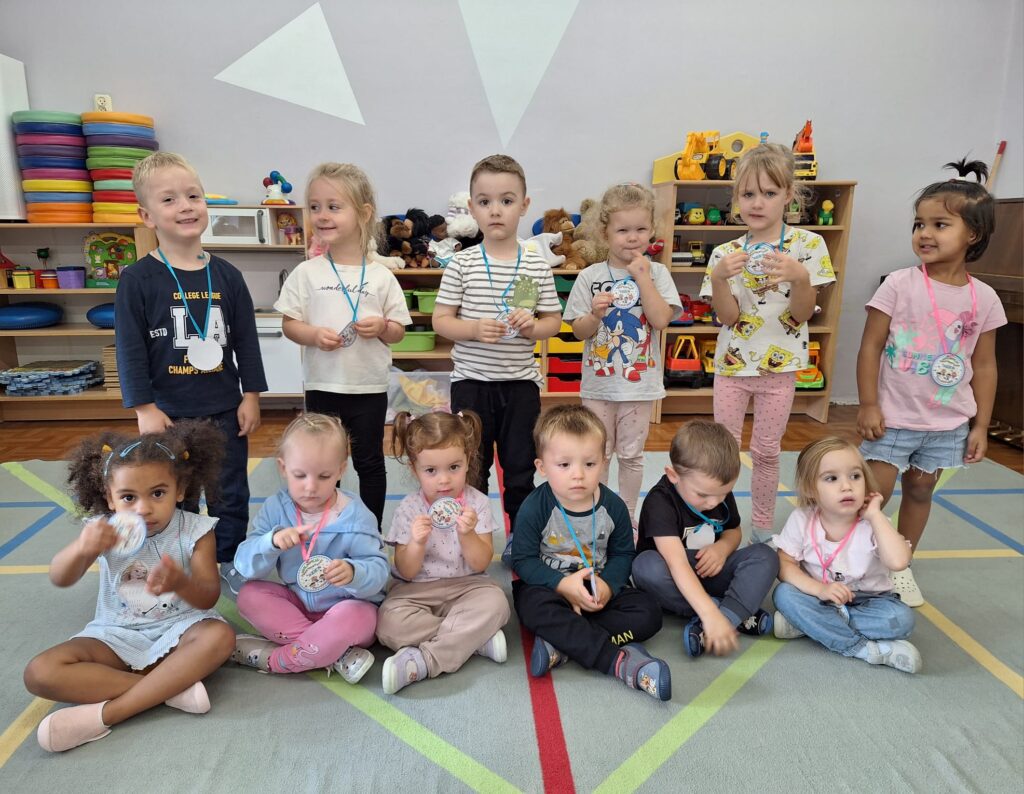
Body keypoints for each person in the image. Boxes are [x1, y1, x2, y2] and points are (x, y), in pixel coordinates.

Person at [23, 422, 236, 753]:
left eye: (158, 493)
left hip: (180, 631)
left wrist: (180, 583)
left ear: (180, 490)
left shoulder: (196, 530)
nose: (143, 508)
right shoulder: (102, 530)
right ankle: (169, 690)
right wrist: (82, 549)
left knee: (219, 636)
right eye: (128, 497)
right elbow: (60, 577)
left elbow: (209, 595)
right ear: (110, 498)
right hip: (115, 635)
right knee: (39, 673)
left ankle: (110, 713)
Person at [116, 152, 268, 595]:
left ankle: (228, 561)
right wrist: (144, 408)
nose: (185, 206)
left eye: (193, 196)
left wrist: (251, 395)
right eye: (169, 199)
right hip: (168, 414)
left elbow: (246, 341)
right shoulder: (138, 279)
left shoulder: (227, 275)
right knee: (174, 493)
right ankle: (177, 563)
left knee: (229, 493)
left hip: (224, 409)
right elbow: (129, 350)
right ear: (147, 216)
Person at [857, 158, 1005, 606]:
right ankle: (853, 561)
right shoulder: (898, 285)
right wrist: (868, 404)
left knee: (921, 491)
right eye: (919, 224)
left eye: (940, 225)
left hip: (946, 423)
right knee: (872, 495)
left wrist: (981, 425)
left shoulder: (984, 298)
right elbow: (870, 347)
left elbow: (985, 366)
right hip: (893, 418)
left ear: (973, 234)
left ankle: (899, 564)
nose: (924, 233)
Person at [700, 144, 835, 543]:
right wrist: (719, 278)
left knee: (767, 451)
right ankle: (719, 523)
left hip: (780, 370)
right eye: (748, 194)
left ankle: (761, 528)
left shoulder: (809, 246)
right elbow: (728, 317)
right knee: (722, 452)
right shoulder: (725, 253)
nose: (757, 203)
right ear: (736, 199)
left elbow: (803, 314)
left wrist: (801, 278)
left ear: (789, 194)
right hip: (732, 367)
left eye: (769, 193)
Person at [432, 154, 562, 553]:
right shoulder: (462, 263)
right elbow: (441, 320)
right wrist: (472, 329)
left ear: (524, 206)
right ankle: (471, 539)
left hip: (521, 385)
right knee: (471, 469)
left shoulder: (536, 265)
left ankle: (520, 540)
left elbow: (553, 322)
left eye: (506, 200)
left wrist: (533, 327)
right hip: (472, 384)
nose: (495, 210)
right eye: (485, 201)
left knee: (521, 468)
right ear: (472, 208)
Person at [276, 163, 411, 529]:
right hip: (323, 385)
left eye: (334, 207)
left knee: (369, 462)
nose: (322, 215)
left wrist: (383, 327)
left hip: (368, 388)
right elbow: (289, 324)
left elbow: (399, 331)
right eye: (315, 207)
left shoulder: (382, 276)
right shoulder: (307, 272)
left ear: (363, 213)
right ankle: (324, 527)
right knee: (321, 463)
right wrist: (312, 335)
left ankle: (370, 531)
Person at [511, 405, 670, 701]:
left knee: (650, 613)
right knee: (531, 607)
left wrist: (608, 585)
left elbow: (623, 554)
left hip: (598, 589)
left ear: (603, 462)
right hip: (551, 588)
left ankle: (565, 642)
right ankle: (616, 662)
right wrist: (561, 584)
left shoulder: (614, 507)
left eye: (589, 463)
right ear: (542, 467)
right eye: (564, 465)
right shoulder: (534, 507)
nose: (578, 475)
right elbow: (523, 560)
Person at [230, 413, 387, 682]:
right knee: (248, 595)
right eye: (299, 475)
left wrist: (354, 572)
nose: (311, 487)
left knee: (359, 617)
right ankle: (334, 652)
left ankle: (275, 660)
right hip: (298, 606)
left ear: (341, 470)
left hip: (346, 607)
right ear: (283, 468)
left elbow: (380, 572)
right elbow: (245, 565)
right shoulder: (275, 509)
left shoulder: (356, 516)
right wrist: (271, 542)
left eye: (324, 476)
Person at [563, 183, 680, 523]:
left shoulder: (658, 273)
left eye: (640, 229)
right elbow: (578, 331)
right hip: (599, 386)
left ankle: (626, 516)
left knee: (631, 455)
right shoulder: (590, 276)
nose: (632, 238)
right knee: (596, 455)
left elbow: (661, 320)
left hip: (638, 387)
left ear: (652, 230)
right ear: (605, 233)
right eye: (623, 230)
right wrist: (594, 315)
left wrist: (643, 279)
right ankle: (597, 514)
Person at [376, 410, 510, 694]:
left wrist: (467, 534)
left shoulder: (477, 503)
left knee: (497, 603)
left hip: (468, 586)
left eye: (454, 467)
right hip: (416, 590)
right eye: (431, 471)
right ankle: (473, 639)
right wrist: (416, 543)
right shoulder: (409, 509)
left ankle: (425, 661)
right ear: (414, 469)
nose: (444, 480)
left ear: (468, 460)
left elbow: (481, 563)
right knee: (388, 622)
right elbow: (406, 570)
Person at [772, 437, 921, 673]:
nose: (847, 486)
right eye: (831, 478)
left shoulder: (875, 523)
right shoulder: (802, 519)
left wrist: (875, 516)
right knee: (784, 594)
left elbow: (899, 562)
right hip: (818, 596)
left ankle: (809, 624)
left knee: (901, 620)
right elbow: (785, 563)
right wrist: (819, 589)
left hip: (870, 601)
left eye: (855, 476)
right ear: (810, 488)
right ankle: (864, 649)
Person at [633, 419, 779, 658]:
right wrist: (710, 613)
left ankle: (726, 619)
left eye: (722, 494)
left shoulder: (717, 492)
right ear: (673, 475)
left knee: (766, 555)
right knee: (645, 566)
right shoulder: (660, 502)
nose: (713, 502)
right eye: (703, 495)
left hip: (712, 570)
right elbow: (676, 563)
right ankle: (731, 614)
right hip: (673, 578)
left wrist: (722, 548)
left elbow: (734, 530)